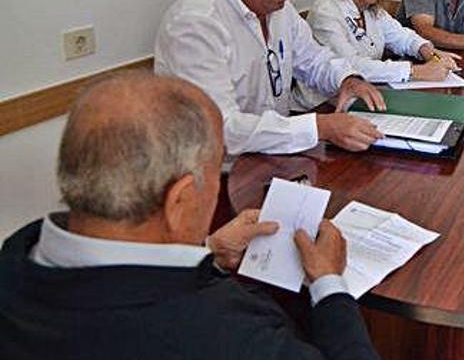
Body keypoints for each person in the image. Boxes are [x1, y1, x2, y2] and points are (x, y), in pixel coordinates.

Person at [0, 72, 380, 360]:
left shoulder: (17, 252)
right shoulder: (230, 338)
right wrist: (328, 283)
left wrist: (209, 248)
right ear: (180, 200)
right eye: (215, 171)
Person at [155, 0, 384, 156]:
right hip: (215, 177)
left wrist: (348, 79)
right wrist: (319, 127)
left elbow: (314, 59)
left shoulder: (281, 11)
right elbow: (222, 127)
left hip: (272, 161)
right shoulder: (195, 23)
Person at [294, 0, 460, 108]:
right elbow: (352, 65)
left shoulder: (372, 10)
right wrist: (415, 72)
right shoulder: (327, 9)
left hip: (360, 99)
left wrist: (429, 52)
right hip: (319, 108)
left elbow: (404, 37)